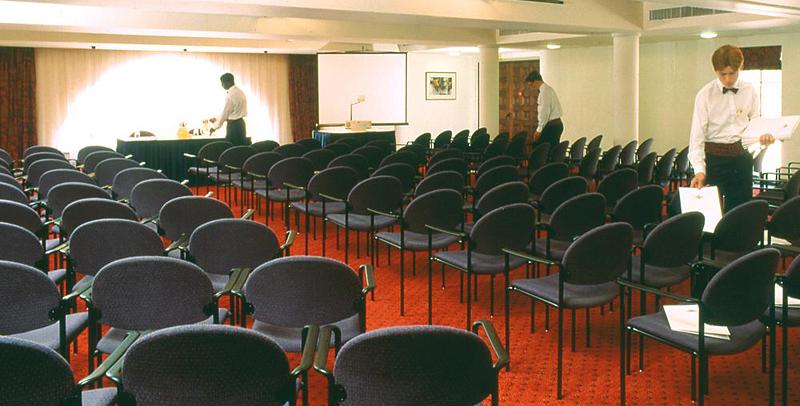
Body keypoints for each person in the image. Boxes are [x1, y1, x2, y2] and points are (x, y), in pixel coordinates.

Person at [688, 45, 774, 211]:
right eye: (723, 74)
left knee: (741, 211)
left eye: (732, 73)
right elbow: (696, 138)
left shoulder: (749, 90)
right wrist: (699, 170)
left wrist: (763, 138)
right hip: (714, 161)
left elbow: (755, 122)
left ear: (740, 67)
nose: (728, 79)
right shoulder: (705, 95)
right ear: (715, 71)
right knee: (714, 213)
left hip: (742, 159)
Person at [526, 70, 563, 148]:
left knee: (540, 150)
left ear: (536, 81)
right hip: (557, 125)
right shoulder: (548, 89)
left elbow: (544, 113)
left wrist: (539, 130)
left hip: (551, 127)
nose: (531, 88)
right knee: (552, 151)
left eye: (531, 85)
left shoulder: (544, 92)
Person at [210, 72, 249, 145]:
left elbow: (226, 113)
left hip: (233, 127)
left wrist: (214, 127)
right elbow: (233, 111)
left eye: (222, 83)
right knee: (240, 147)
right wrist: (217, 118)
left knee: (232, 148)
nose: (222, 85)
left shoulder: (230, 95)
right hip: (241, 124)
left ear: (228, 82)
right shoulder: (240, 92)